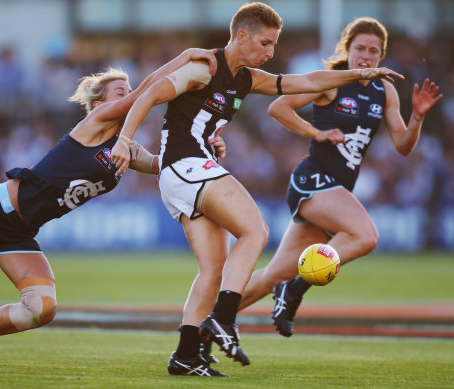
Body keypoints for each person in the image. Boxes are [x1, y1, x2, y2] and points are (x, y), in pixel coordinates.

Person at [110, 3, 403, 377]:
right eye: (265, 42)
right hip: (185, 167)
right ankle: (222, 319)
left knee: (214, 269)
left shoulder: (247, 78)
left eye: (274, 44)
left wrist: (358, 74)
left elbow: (308, 82)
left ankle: (185, 355)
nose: (270, 52)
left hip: (188, 172)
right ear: (242, 36)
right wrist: (124, 139)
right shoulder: (205, 66)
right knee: (256, 230)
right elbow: (150, 95)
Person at [0, 47, 223, 366]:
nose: (128, 93)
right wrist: (184, 57)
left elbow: (166, 163)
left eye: (127, 88)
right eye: (121, 90)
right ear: (100, 102)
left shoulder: (126, 147)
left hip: (17, 230)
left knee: (41, 309)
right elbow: (145, 94)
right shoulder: (98, 120)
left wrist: (206, 148)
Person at [237, 17, 443, 337]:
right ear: (347, 50)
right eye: (359, 48)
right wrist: (315, 132)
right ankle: (294, 291)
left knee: (271, 276)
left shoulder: (385, 91)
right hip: (314, 182)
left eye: (373, 51)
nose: (366, 56)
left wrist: (416, 116)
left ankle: (206, 322)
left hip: (336, 191)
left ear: (381, 56)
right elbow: (278, 108)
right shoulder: (332, 80)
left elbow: (403, 145)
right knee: (366, 236)